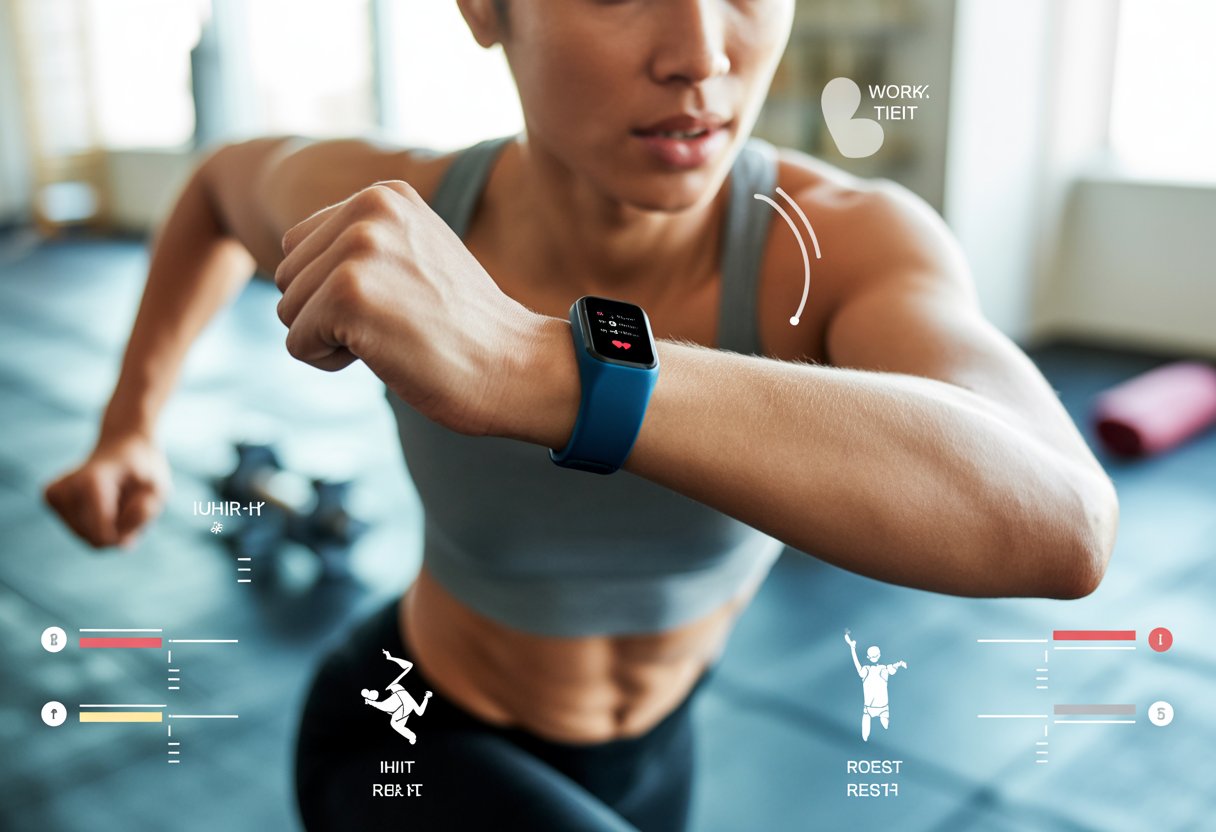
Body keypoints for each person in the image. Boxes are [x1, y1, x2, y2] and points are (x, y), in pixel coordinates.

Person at [43, 1, 1119, 828]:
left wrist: (537, 364)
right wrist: (129, 422)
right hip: (410, 735)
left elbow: (1062, 521)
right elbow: (223, 189)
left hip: (657, 753)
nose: (702, 53)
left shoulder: (839, 248)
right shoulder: (406, 216)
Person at [844, 631, 906, 742]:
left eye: (875, 655)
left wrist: (852, 648)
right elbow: (893, 666)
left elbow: (857, 664)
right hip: (872, 708)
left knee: (884, 728)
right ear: (869, 657)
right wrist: (852, 648)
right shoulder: (871, 670)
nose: (874, 657)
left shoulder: (879, 669)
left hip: (880, 708)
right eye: (873, 656)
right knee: (869, 733)